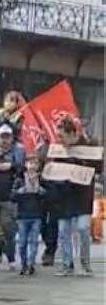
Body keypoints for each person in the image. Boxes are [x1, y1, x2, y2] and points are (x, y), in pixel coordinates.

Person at [41, 116, 99, 277]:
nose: (59, 139)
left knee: (83, 228)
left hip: (82, 196)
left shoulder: (89, 146)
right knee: (63, 231)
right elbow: (51, 171)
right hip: (64, 196)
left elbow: (98, 168)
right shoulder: (58, 151)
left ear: (72, 133)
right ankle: (67, 264)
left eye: (62, 136)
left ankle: (85, 263)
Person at [0, 123, 25, 271]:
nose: (4, 140)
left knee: (9, 229)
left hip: (9, 197)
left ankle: (11, 258)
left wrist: (11, 166)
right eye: (2, 137)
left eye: (7, 137)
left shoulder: (18, 151)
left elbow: (23, 168)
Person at [11, 155, 46, 276]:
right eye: (30, 163)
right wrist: (19, 192)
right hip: (22, 215)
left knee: (34, 241)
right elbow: (12, 196)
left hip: (36, 215)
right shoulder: (20, 179)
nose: (32, 166)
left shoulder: (41, 179)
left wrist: (42, 192)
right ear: (25, 165)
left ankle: (31, 264)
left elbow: (47, 196)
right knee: (22, 242)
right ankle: (24, 262)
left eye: (35, 163)